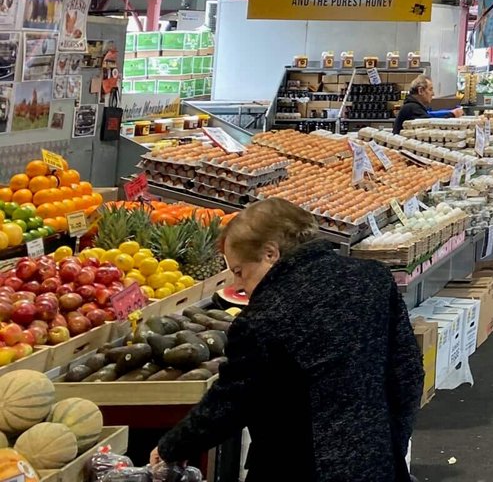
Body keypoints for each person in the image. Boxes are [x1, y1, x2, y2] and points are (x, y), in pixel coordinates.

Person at [150, 198, 422, 480]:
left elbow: (231, 403)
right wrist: (390, 445)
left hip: (295, 466)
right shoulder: (373, 278)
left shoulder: (263, 318)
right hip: (374, 460)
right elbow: (407, 372)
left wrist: (173, 446)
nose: (238, 286)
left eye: (240, 272)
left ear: (270, 254)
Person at [391, 76, 462, 133]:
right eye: (430, 89)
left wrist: (451, 113)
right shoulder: (412, 108)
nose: (433, 94)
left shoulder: (414, 106)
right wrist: (451, 115)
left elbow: (429, 115)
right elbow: (428, 124)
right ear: (420, 91)